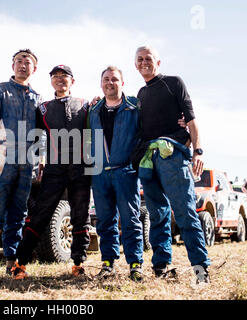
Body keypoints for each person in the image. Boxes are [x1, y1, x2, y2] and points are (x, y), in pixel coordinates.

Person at [134, 45, 211, 284]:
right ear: (135, 65)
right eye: (140, 59)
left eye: (149, 58)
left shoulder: (174, 82)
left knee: (185, 213)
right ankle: (161, 266)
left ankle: (200, 269)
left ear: (158, 62)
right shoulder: (140, 94)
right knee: (157, 214)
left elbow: (191, 120)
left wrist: (197, 151)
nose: (144, 62)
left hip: (173, 157)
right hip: (149, 160)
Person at [12, 65, 91, 279]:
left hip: (81, 169)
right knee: (39, 215)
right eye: (55, 77)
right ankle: (20, 264)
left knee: (80, 217)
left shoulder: (85, 106)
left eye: (64, 76)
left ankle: (78, 264)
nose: (59, 80)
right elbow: (36, 137)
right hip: (55, 169)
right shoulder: (44, 108)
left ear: (72, 81)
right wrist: (40, 161)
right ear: (51, 82)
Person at [0, 49, 41, 279]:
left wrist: (39, 160)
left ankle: (12, 262)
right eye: (19, 61)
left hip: (27, 159)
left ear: (35, 68)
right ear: (12, 65)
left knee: (18, 213)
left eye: (28, 62)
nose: (23, 65)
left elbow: (40, 133)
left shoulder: (36, 97)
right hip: (3, 154)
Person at [88, 66, 144, 282]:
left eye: (114, 79)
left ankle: (135, 264)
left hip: (125, 171)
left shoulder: (134, 106)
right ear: (101, 84)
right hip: (100, 173)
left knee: (130, 219)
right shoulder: (93, 110)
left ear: (122, 83)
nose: (110, 83)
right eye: (106, 79)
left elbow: (148, 129)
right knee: (105, 221)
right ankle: (108, 263)